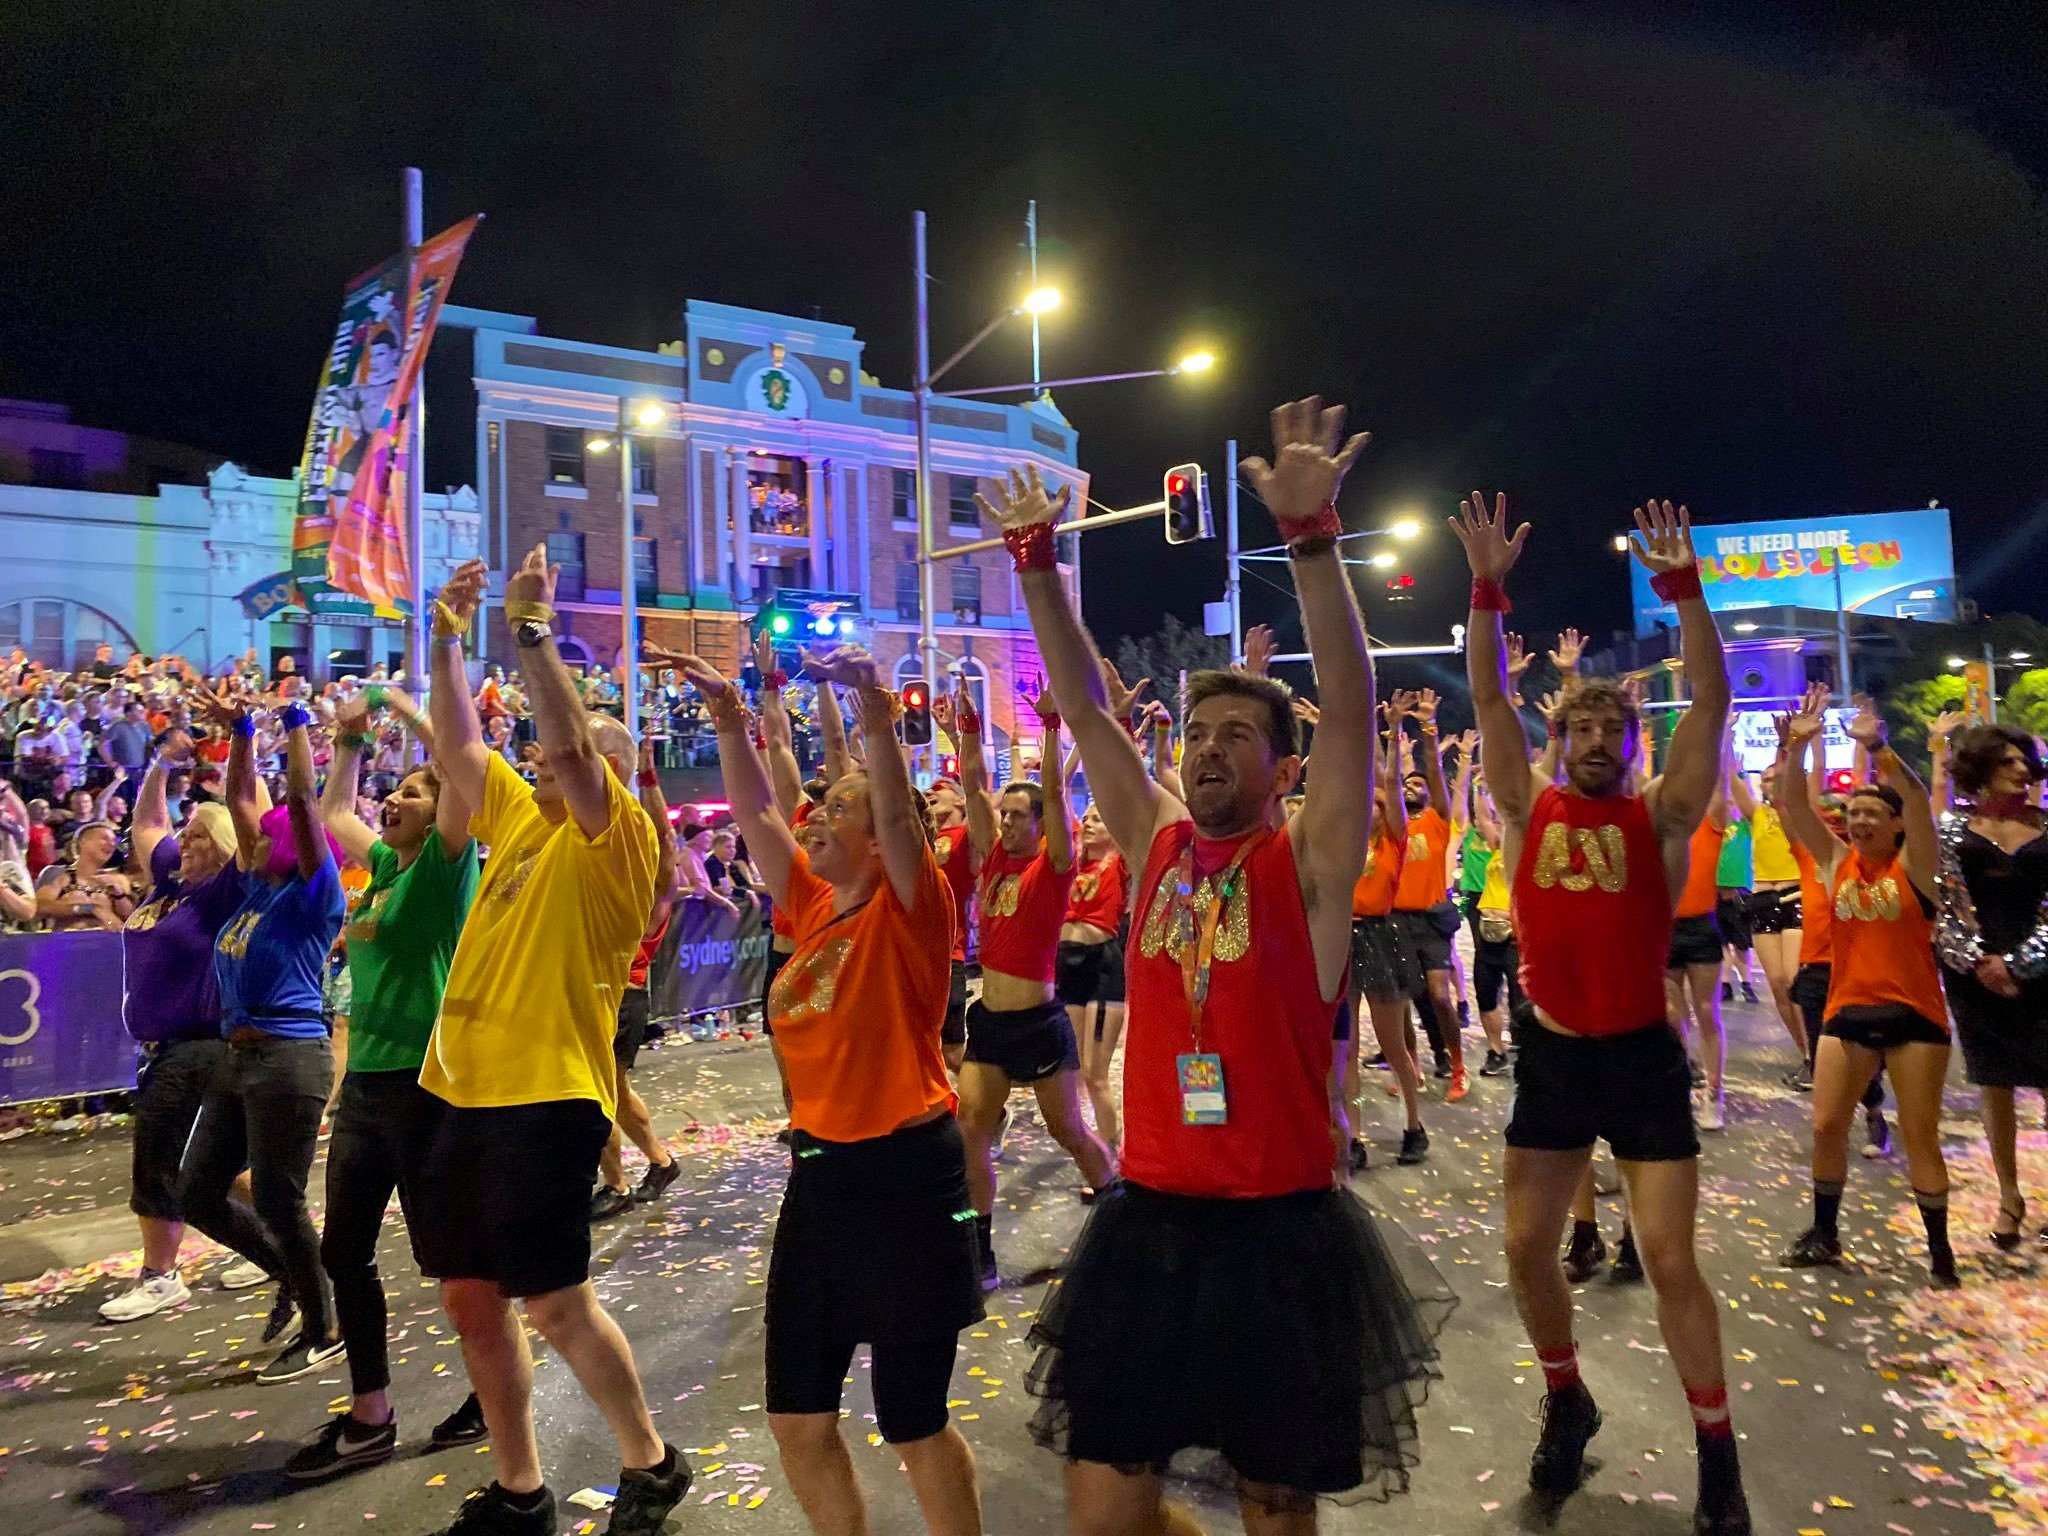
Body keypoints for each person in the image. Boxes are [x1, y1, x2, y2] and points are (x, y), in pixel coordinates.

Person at [1000, 405, 1453, 1528]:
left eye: (1235, 736)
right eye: (1196, 734)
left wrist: (1310, 540)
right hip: (1148, 1221)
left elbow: (1347, 710)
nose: (1205, 749)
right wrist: (1036, 566)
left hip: (1276, 1235)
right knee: (1104, 1504)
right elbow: (1085, 707)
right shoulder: (1153, 840)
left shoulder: (1304, 866)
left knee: (1273, 1507)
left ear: (1282, 767)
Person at [1458, 492, 1752, 1533]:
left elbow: (1710, 706)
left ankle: (1716, 1454)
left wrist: (1685, 593)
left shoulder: (1660, 814)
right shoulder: (1522, 804)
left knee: (1670, 1260)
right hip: (1550, 1054)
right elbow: (1486, 696)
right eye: (1575, 726)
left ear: (1630, 742)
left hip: (1637, 1059)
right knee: (1525, 1248)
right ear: (1557, 736)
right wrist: (1485, 591)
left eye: (1606, 729)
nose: (1590, 740)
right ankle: (1563, 1394)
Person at [662, 639, 985, 1536]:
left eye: (841, 807)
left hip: (908, 1181)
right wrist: (732, 717)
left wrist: (878, 715)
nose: (816, 812)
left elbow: (893, 810)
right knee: (797, 1418)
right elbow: (764, 816)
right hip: (823, 1181)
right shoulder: (811, 909)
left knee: (913, 1421)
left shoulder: (911, 915)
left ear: (885, 837)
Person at [411, 549, 691, 1536]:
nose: (538, 752)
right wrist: (446, 638)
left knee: (555, 1306)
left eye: (565, 744)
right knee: (470, 1303)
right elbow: (454, 747)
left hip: (547, 1094)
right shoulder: (521, 819)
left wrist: (530, 632)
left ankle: (648, 1463)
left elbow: (571, 750)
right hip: (457, 1089)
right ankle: (521, 1489)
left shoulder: (614, 837)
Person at [281, 687, 480, 1479]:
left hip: (426, 1090)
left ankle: (489, 1387)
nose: (394, 800)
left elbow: (468, 779)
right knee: (343, 1251)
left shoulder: (443, 870)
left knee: (456, 1264)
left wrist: (404, 706)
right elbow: (333, 814)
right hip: (366, 1086)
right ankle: (371, 1412)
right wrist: (352, 744)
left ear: (441, 817)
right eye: (395, 791)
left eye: (412, 792)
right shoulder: (387, 874)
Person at [176, 689, 349, 1383]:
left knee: (278, 1195)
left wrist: (298, 725)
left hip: (289, 1059)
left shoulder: (315, 895)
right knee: (197, 1191)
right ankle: (292, 1275)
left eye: (268, 835)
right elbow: (243, 795)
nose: (256, 838)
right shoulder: (256, 894)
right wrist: (243, 731)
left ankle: (324, 1326)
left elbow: (302, 805)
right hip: (240, 1056)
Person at [1776, 689, 1956, 1286]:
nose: (1859, 820)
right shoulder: (1836, 863)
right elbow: (1794, 812)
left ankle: (1940, 1252)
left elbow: (1920, 806)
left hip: (1914, 1018)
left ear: (1896, 823)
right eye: (1852, 813)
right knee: (1827, 1126)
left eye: (1872, 813)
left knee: (1920, 1135)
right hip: (1847, 1012)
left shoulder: (1917, 866)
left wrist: (1877, 746)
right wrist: (1796, 748)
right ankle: (1825, 1234)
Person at [955, 686, 1116, 1287]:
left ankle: (1119, 1210)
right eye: (1005, 815)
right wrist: (967, 729)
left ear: (1044, 823)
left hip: (1040, 1022)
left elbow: (1053, 791)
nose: (1007, 821)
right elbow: (973, 787)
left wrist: (1049, 728)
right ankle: (979, 1251)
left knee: (1068, 1131)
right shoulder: (994, 857)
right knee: (971, 1127)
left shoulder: (1053, 866)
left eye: (1019, 815)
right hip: (991, 1023)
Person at [96, 750, 252, 1323]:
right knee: (215, 1163)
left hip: (201, 1042)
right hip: (165, 1047)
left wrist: (240, 746)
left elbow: (244, 814)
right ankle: (274, 1240)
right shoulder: (171, 882)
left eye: (200, 837)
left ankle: (161, 1276)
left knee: (158, 1157)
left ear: (226, 848)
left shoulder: (222, 894)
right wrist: (161, 766)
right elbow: (147, 826)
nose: (185, 842)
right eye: (185, 836)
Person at [1933, 722, 2048, 1251]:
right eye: (2008, 761)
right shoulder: (1952, 830)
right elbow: (1947, 908)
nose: (2021, 770)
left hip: (2043, 973)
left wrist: (2021, 963)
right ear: (1981, 768)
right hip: (1975, 977)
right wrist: (1982, 962)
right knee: (1994, 1087)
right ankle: (2009, 1197)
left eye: (2026, 761)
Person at [590, 740, 683, 1221]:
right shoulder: (609, 881)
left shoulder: (652, 892)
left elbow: (665, 842)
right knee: (617, 1094)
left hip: (620, 997)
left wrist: (647, 780)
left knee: (598, 1094)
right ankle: (661, 1163)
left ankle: (617, 1184)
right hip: (602, 995)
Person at [1345, 704, 1427, 1169]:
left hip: (1382, 936)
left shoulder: (1393, 838)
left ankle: (1414, 1125)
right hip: (1346, 938)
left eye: (1379, 803)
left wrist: (1393, 733)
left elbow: (1392, 785)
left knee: (1392, 1042)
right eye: (1368, 803)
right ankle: (1354, 1136)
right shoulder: (1348, 843)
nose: (1373, 808)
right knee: (1348, 1047)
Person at [1389, 689, 1466, 1099]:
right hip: (1396, 921)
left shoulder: (1436, 820)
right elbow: (1378, 780)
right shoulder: (1393, 826)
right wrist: (1390, 731)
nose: (1414, 785)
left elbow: (1435, 773)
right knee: (1401, 1000)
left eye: (1419, 783)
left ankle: (1456, 1065)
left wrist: (1429, 730)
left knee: (1438, 995)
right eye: (1408, 782)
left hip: (1432, 920)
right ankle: (1412, 1065)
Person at [1059, 802, 1129, 1151]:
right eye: (1085, 818)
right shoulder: (1072, 860)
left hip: (1102, 966)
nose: (1087, 823)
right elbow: (1058, 793)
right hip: (1066, 968)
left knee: (1095, 1074)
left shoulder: (1119, 860)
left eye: (1097, 819)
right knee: (1075, 1073)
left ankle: (1110, 1154)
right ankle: (1093, 1151)